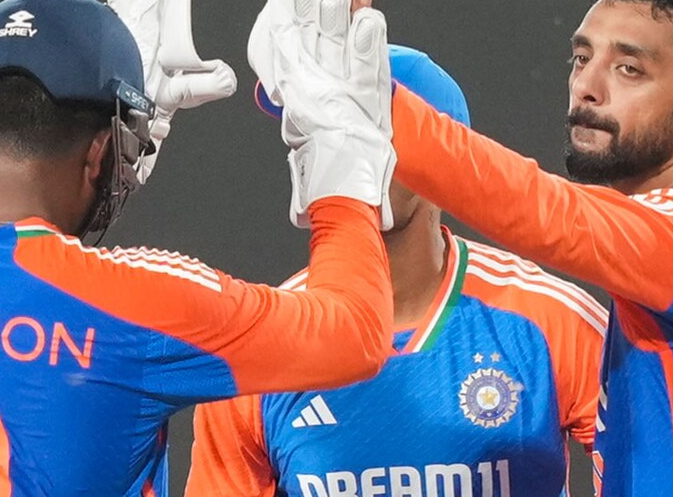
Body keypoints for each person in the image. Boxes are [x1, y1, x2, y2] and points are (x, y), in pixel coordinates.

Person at [263, 0, 673, 496]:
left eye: (629, 69)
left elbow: (537, 208)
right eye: (581, 57)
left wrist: (365, 104)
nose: (586, 87)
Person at [0, 0, 398, 496]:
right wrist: (340, 142)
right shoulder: (141, 304)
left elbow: (29, 291)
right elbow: (356, 334)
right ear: (99, 150)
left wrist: (116, 150)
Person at [186, 44, 606, 497]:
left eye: (365, 131)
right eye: (320, 132)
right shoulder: (258, 351)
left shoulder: (551, 322)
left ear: (443, 152)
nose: (341, 157)